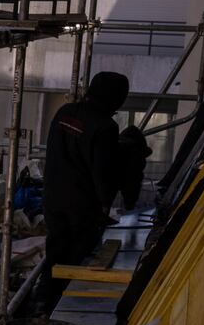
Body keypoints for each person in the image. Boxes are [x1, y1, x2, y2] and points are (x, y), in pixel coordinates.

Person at [38, 70, 139, 308]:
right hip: (81, 205)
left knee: (55, 251)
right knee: (75, 260)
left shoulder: (65, 112)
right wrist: (105, 206)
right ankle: (58, 307)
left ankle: (41, 303)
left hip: (53, 197)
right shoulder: (105, 126)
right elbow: (101, 172)